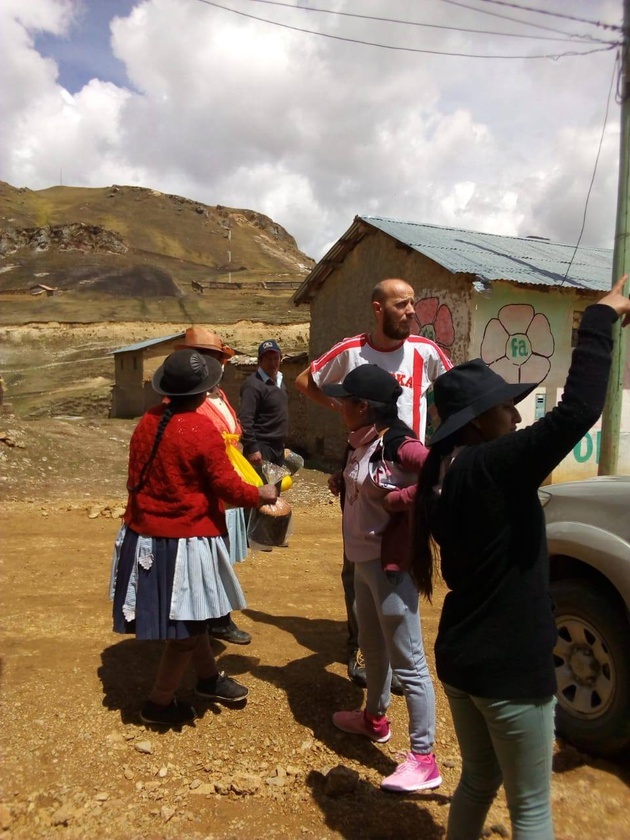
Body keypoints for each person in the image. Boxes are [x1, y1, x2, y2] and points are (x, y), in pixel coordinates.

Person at [411, 276, 630, 839]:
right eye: (508, 407)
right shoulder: (493, 467)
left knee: (478, 782)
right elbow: (578, 409)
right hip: (509, 667)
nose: (517, 416)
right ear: (481, 420)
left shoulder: (442, 474)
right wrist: (601, 321)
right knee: (531, 809)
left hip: (461, 661)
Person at [296, 278, 451, 689]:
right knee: (358, 566)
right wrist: (344, 409)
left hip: (409, 476)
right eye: (402, 305)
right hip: (364, 475)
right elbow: (304, 381)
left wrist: (442, 440)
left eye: (414, 304)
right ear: (378, 309)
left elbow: (454, 393)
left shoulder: (426, 352)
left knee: (405, 561)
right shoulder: (352, 352)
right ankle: (362, 647)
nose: (412, 312)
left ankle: (401, 657)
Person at [110, 349, 278, 727]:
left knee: (196, 616)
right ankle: (158, 702)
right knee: (186, 629)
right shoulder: (201, 430)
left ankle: (207, 679)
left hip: (146, 535)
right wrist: (260, 494)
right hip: (182, 540)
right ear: (203, 393)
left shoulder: (148, 421)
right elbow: (226, 487)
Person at [324, 364, 441, 793]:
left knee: (409, 663)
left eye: (345, 401)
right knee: (373, 648)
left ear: (363, 407)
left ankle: (424, 758)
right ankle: (374, 718)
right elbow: (367, 483)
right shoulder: (360, 441)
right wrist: (344, 482)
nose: (339, 407)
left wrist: (401, 498)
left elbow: (439, 471)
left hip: (389, 568)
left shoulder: (398, 444)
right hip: (363, 563)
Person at [175, 327, 252, 646]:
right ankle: (214, 619)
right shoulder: (184, 401)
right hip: (208, 486)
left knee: (222, 554)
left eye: (221, 359)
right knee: (209, 555)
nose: (221, 365)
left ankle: (213, 617)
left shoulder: (217, 396)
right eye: (215, 359)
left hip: (228, 482)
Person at [239, 338, 303, 477]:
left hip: (277, 448)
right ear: (260, 361)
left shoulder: (279, 381)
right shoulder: (253, 385)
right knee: (261, 493)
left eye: (276, 358)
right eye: (268, 359)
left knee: (274, 493)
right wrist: (252, 448)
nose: (273, 363)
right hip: (261, 448)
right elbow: (245, 420)